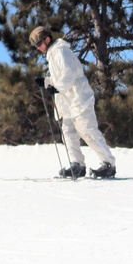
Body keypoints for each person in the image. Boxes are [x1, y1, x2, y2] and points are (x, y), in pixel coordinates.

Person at [29, 26, 117, 179]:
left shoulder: (60, 50)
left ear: (47, 39)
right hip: (67, 100)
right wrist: (46, 82)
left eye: (38, 44)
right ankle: (77, 165)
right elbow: (60, 77)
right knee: (68, 132)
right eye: (36, 46)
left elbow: (69, 73)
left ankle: (108, 164)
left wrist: (56, 87)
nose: (38, 48)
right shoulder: (53, 53)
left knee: (87, 130)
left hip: (78, 97)